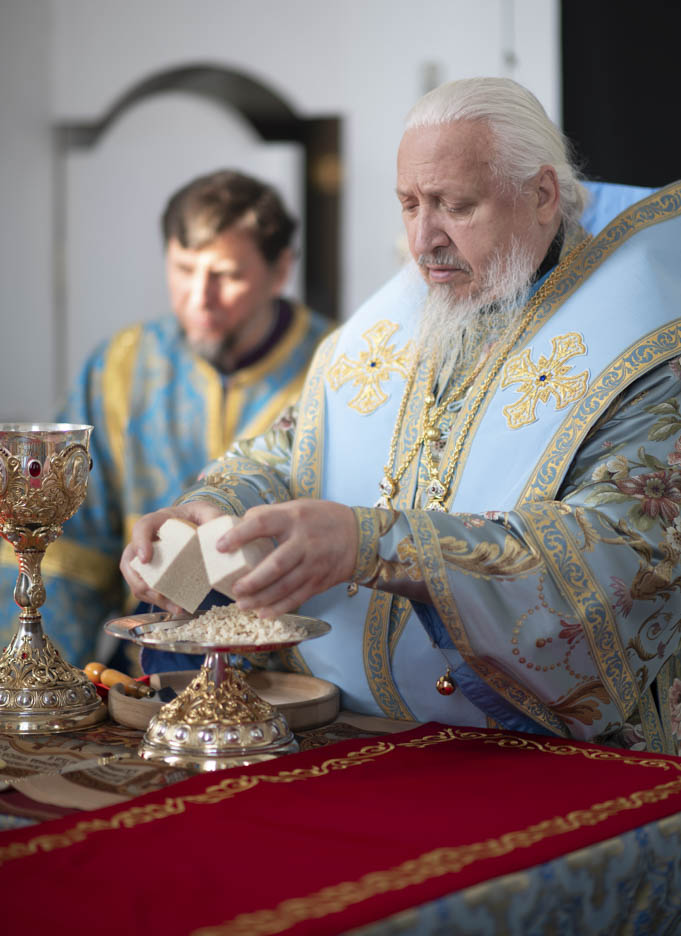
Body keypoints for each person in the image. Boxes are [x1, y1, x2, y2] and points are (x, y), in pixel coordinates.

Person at [122, 79, 681, 755]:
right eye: (410, 204)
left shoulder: (639, 347)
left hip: (539, 755)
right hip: (347, 732)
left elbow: (622, 558)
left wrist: (374, 545)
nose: (422, 240)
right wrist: (208, 516)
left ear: (541, 195)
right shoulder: (405, 316)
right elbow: (291, 453)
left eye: (456, 206)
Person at [0, 169, 331, 665]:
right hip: (143, 671)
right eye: (183, 269)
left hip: (295, 675)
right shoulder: (122, 366)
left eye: (227, 275)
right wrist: (52, 678)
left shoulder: (336, 368)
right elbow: (70, 548)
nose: (200, 298)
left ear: (280, 269)